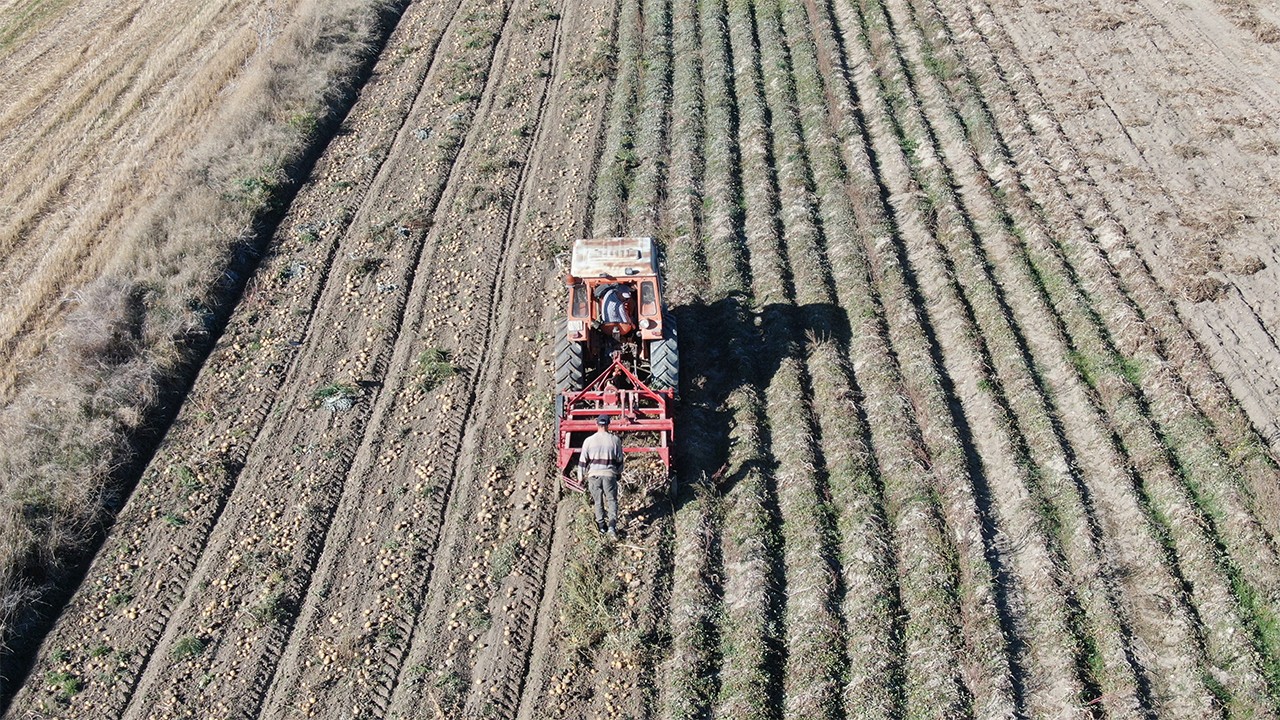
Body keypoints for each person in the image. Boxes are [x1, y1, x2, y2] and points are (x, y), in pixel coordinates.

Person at [577, 414, 623, 539]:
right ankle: (612, 527)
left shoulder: (588, 441)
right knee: (612, 500)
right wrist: (618, 473)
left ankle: (602, 526)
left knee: (598, 502)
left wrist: (580, 477)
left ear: (596, 424)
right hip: (609, 475)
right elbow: (619, 460)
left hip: (594, 476)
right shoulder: (615, 440)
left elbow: (582, 461)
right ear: (608, 424)